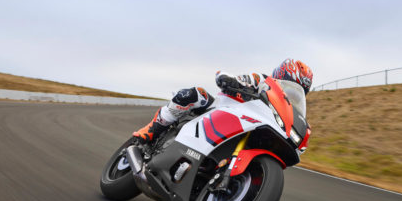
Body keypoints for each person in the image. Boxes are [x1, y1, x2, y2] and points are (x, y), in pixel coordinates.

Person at [132, 58, 313, 144]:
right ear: (280, 75)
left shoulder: (286, 111)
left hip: (251, 127)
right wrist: (229, 79)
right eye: (290, 89)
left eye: (298, 95)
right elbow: (239, 78)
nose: (291, 96)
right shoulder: (262, 81)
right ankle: (153, 129)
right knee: (195, 94)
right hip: (222, 109)